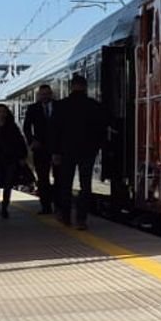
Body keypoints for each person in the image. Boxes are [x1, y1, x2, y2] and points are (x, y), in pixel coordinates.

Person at [51, 73, 106, 229]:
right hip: (87, 151)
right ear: (85, 87)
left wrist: (55, 152)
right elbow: (100, 130)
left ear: (71, 86)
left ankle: (66, 217)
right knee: (85, 185)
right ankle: (81, 219)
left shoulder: (61, 106)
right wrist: (96, 148)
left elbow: (55, 131)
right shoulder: (94, 106)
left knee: (65, 185)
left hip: (65, 151)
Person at [22, 83, 57, 215]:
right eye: (42, 94)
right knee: (43, 179)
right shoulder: (33, 109)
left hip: (57, 148)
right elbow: (26, 127)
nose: (45, 96)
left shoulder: (59, 106)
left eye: (47, 94)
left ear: (51, 94)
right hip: (40, 148)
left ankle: (58, 205)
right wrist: (31, 141)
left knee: (59, 177)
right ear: (39, 95)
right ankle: (46, 206)